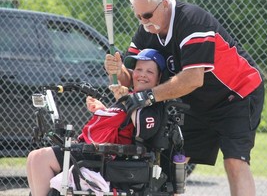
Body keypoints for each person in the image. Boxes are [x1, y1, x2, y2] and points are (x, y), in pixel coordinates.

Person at [104, 0, 265, 195]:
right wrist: (117, 70)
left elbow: (192, 79)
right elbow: (130, 78)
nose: (143, 22)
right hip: (195, 102)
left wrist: (148, 96)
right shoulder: (148, 30)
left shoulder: (191, 20)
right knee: (172, 162)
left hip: (236, 95)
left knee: (235, 161)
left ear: (164, 5)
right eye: (138, 17)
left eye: (147, 15)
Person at [26, 48, 166, 196]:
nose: (143, 74)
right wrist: (102, 109)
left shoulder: (152, 103)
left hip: (105, 155)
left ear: (158, 78)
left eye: (150, 72)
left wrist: (128, 101)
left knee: (39, 159)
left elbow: (144, 130)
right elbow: (118, 121)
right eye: (139, 69)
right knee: (33, 157)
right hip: (91, 149)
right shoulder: (129, 94)